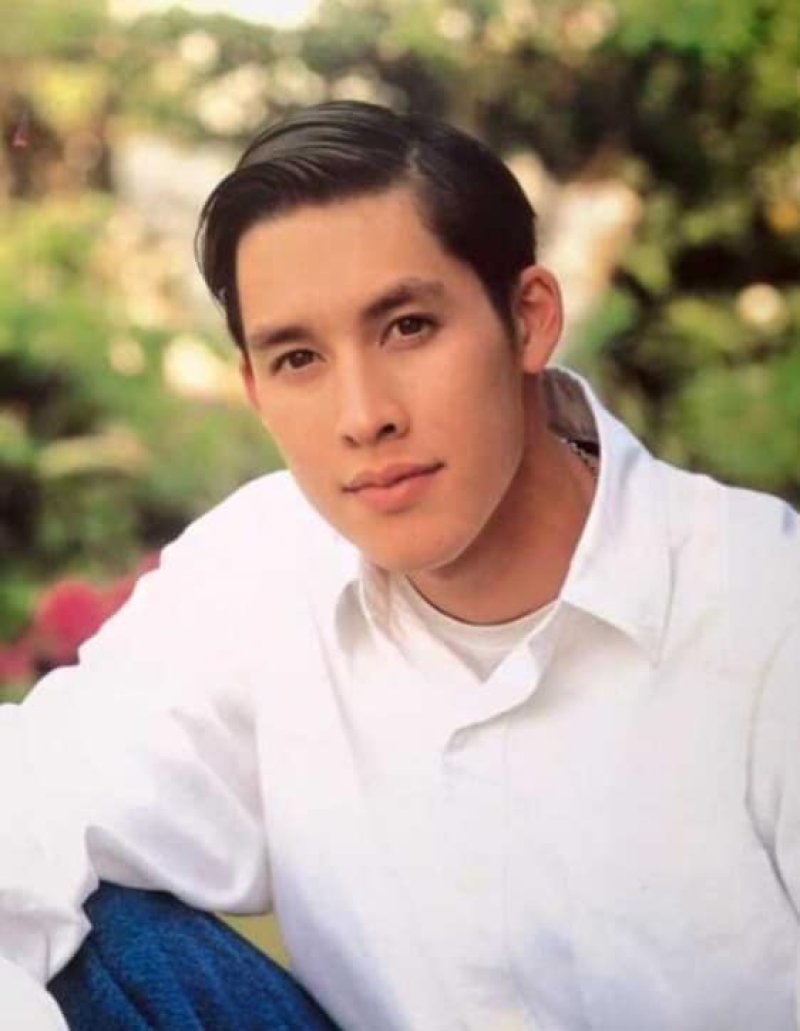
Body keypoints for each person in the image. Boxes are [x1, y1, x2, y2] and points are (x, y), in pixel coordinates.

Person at [1, 99, 798, 1031]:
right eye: (299, 357)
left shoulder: (761, 610)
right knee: (89, 935)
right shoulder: (262, 565)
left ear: (529, 319)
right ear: (255, 387)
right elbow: (30, 802)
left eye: (408, 327)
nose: (363, 414)